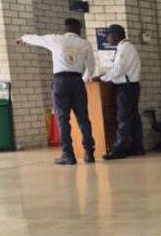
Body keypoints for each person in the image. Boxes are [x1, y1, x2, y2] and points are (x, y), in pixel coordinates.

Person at [16, 18, 95, 165]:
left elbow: (36, 39)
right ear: (79, 30)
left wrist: (23, 38)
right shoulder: (85, 44)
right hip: (77, 81)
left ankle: (68, 155)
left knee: (63, 119)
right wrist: (82, 80)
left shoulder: (55, 39)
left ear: (65, 29)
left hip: (60, 82)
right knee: (83, 118)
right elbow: (90, 68)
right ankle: (89, 153)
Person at [100, 24, 144, 160]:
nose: (107, 39)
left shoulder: (124, 48)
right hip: (130, 86)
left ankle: (118, 149)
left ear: (116, 35)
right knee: (133, 118)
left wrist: (103, 78)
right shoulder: (126, 47)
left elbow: (119, 68)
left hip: (126, 87)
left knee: (123, 118)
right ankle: (137, 147)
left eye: (108, 36)